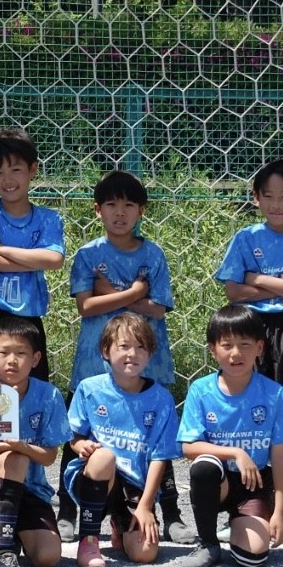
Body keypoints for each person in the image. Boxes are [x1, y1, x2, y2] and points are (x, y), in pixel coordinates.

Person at [56, 170, 193, 547]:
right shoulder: (88, 254)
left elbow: (159, 310)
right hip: (93, 363)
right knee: (80, 434)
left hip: (146, 361)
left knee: (154, 439)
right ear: (98, 210)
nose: (120, 212)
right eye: (112, 205)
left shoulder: (153, 254)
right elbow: (87, 306)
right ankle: (66, 511)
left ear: (141, 211)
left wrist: (113, 291)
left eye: (129, 205)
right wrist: (133, 292)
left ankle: (172, 514)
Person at [216, 158, 283, 543]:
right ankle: (237, 510)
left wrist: (257, 279)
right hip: (251, 332)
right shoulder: (246, 238)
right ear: (256, 198)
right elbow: (232, 291)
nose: (276, 204)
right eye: (268, 196)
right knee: (242, 422)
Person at [176, 304, 283, 567]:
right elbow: (189, 447)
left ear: (260, 348)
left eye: (245, 344)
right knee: (204, 466)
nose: (236, 353)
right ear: (213, 350)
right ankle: (208, 543)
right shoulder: (201, 390)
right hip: (219, 480)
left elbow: (282, 454)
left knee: (253, 558)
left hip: (254, 484)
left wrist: (280, 512)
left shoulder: (274, 394)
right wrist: (236, 453)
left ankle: (241, 521)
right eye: (227, 345)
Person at [61, 313, 180, 567]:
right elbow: (74, 435)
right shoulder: (89, 388)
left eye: (141, 347)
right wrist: (80, 446)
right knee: (105, 456)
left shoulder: (162, 399)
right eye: (124, 346)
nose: (132, 354)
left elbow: (160, 456)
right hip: (97, 477)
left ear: (150, 354)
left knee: (145, 553)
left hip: (135, 485)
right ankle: (89, 539)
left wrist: (147, 506)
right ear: (106, 350)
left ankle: (121, 522)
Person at [0, 316, 70, 567]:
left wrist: (19, 444)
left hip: (32, 487)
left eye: (21, 353)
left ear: (35, 359)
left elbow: (49, 457)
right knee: (14, 459)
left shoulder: (49, 396)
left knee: (48, 558)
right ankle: (3, 552)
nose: (12, 360)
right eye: (4, 353)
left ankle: (16, 531)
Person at [0, 127, 65, 383]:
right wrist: (31, 259)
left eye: (16, 170)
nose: (8, 180)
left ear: (33, 169)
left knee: (29, 393)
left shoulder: (48, 218)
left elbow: (54, 260)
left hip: (26, 319)